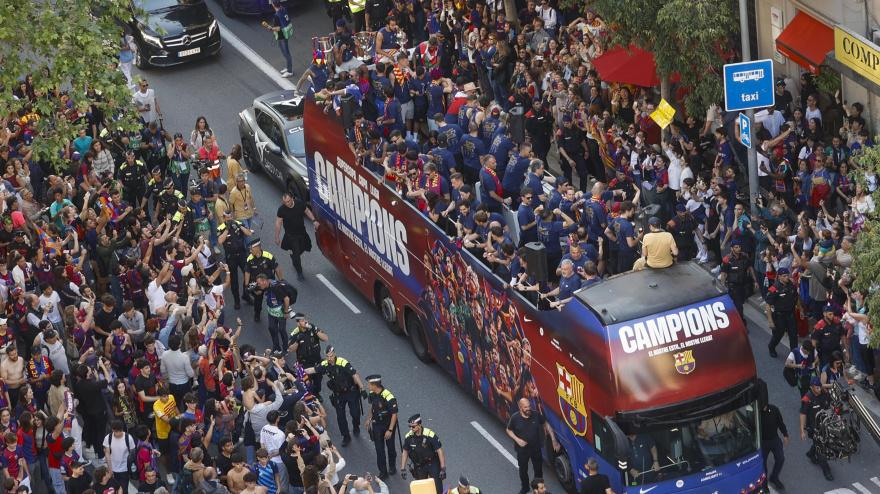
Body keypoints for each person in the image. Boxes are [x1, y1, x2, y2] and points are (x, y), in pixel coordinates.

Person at [305, 346, 365, 447]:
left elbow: (354, 374)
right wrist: (300, 370)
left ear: (334, 354)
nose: (329, 358)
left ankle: (356, 425)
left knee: (355, 413)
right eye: (327, 356)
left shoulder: (342, 362)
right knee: (340, 417)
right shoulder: (325, 364)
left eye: (331, 356)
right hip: (338, 394)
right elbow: (313, 370)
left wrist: (362, 388)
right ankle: (346, 436)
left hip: (350, 392)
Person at [506, 398, 559, 494]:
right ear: (520, 407)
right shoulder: (515, 418)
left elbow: (546, 424)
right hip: (522, 450)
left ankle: (538, 490)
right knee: (523, 470)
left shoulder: (536, 414)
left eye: (529, 406)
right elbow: (509, 430)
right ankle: (525, 488)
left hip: (535, 448)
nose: (528, 408)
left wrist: (553, 440)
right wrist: (518, 440)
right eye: (525, 407)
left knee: (538, 471)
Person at [275, 191, 318, 282]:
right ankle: (299, 272)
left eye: (288, 201)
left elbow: (306, 211)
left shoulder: (299, 203)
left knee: (305, 247)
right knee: (296, 255)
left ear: (292, 199)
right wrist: (277, 237)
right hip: (291, 236)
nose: (286, 204)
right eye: (284, 202)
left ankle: (294, 256)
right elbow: (278, 223)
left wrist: (314, 220)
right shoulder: (281, 210)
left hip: (302, 233)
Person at [400, 414, 445, 494]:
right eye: (410, 426)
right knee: (422, 488)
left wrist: (443, 468)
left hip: (432, 463)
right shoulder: (408, 437)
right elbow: (405, 451)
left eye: (413, 426)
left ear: (419, 425)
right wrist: (403, 468)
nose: (411, 428)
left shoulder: (429, 434)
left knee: (437, 487)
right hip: (419, 465)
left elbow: (439, 450)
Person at [364, 374, 398, 480]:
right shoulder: (372, 394)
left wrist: (390, 430)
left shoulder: (388, 396)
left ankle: (392, 466)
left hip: (388, 425)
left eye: (369, 384)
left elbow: (394, 414)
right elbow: (373, 407)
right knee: (379, 450)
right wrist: (369, 418)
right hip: (377, 425)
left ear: (375, 385)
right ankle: (383, 472)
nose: (368, 386)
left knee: (391, 448)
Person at [800, 376, 833, 481]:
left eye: (819, 387)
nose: (819, 389)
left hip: (825, 425)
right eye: (816, 387)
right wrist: (802, 430)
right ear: (811, 387)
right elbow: (803, 414)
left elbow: (830, 405)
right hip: (814, 428)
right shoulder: (807, 399)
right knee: (821, 449)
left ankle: (810, 453)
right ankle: (826, 470)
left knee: (819, 444)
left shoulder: (824, 393)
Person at [718, 239, 759, 320]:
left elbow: (750, 268)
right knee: (738, 306)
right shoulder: (727, 259)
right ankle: (740, 322)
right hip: (733, 286)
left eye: (739, 247)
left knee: (739, 304)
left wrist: (755, 281)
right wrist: (722, 286)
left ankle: (735, 317)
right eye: (736, 247)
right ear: (732, 248)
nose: (738, 249)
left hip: (743, 285)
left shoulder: (745, 256)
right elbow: (724, 274)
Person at [244, 239, 282, 323]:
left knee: (275, 300)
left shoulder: (268, 256)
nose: (250, 251)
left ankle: (277, 315)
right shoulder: (249, 259)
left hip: (269, 283)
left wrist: (281, 281)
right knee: (258, 301)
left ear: (257, 248)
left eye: (251, 249)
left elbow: (277, 268)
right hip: (257, 284)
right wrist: (247, 285)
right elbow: (247, 272)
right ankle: (257, 313)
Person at [766, 267, 798, 357]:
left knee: (793, 335)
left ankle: (794, 354)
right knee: (778, 335)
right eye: (784, 276)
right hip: (779, 316)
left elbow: (796, 296)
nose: (787, 277)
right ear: (779, 277)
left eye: (787, 275)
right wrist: (770, 321)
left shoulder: (791, 284)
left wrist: (801, 309)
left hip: (790, 314)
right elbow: (768, 305)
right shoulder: (774, 288)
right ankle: (771, 347)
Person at [760, 397, 789, 490]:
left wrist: (785, 434)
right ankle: (764, 485)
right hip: (762, 443)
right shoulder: (756, 413)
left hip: (774, 439)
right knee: (762, 464)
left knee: (780, 458)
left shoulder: (774, 409)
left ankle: (774, 477)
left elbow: (780, 422)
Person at [269, 0, 294, 77]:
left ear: (273, 5)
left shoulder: (277, 15)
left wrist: (270, 28)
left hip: (282, 35)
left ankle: (290, 71)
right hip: (286, 33)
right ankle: (288, 67)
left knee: (286, 53)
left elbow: (278, 28)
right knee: (285, 52)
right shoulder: (283, 9)